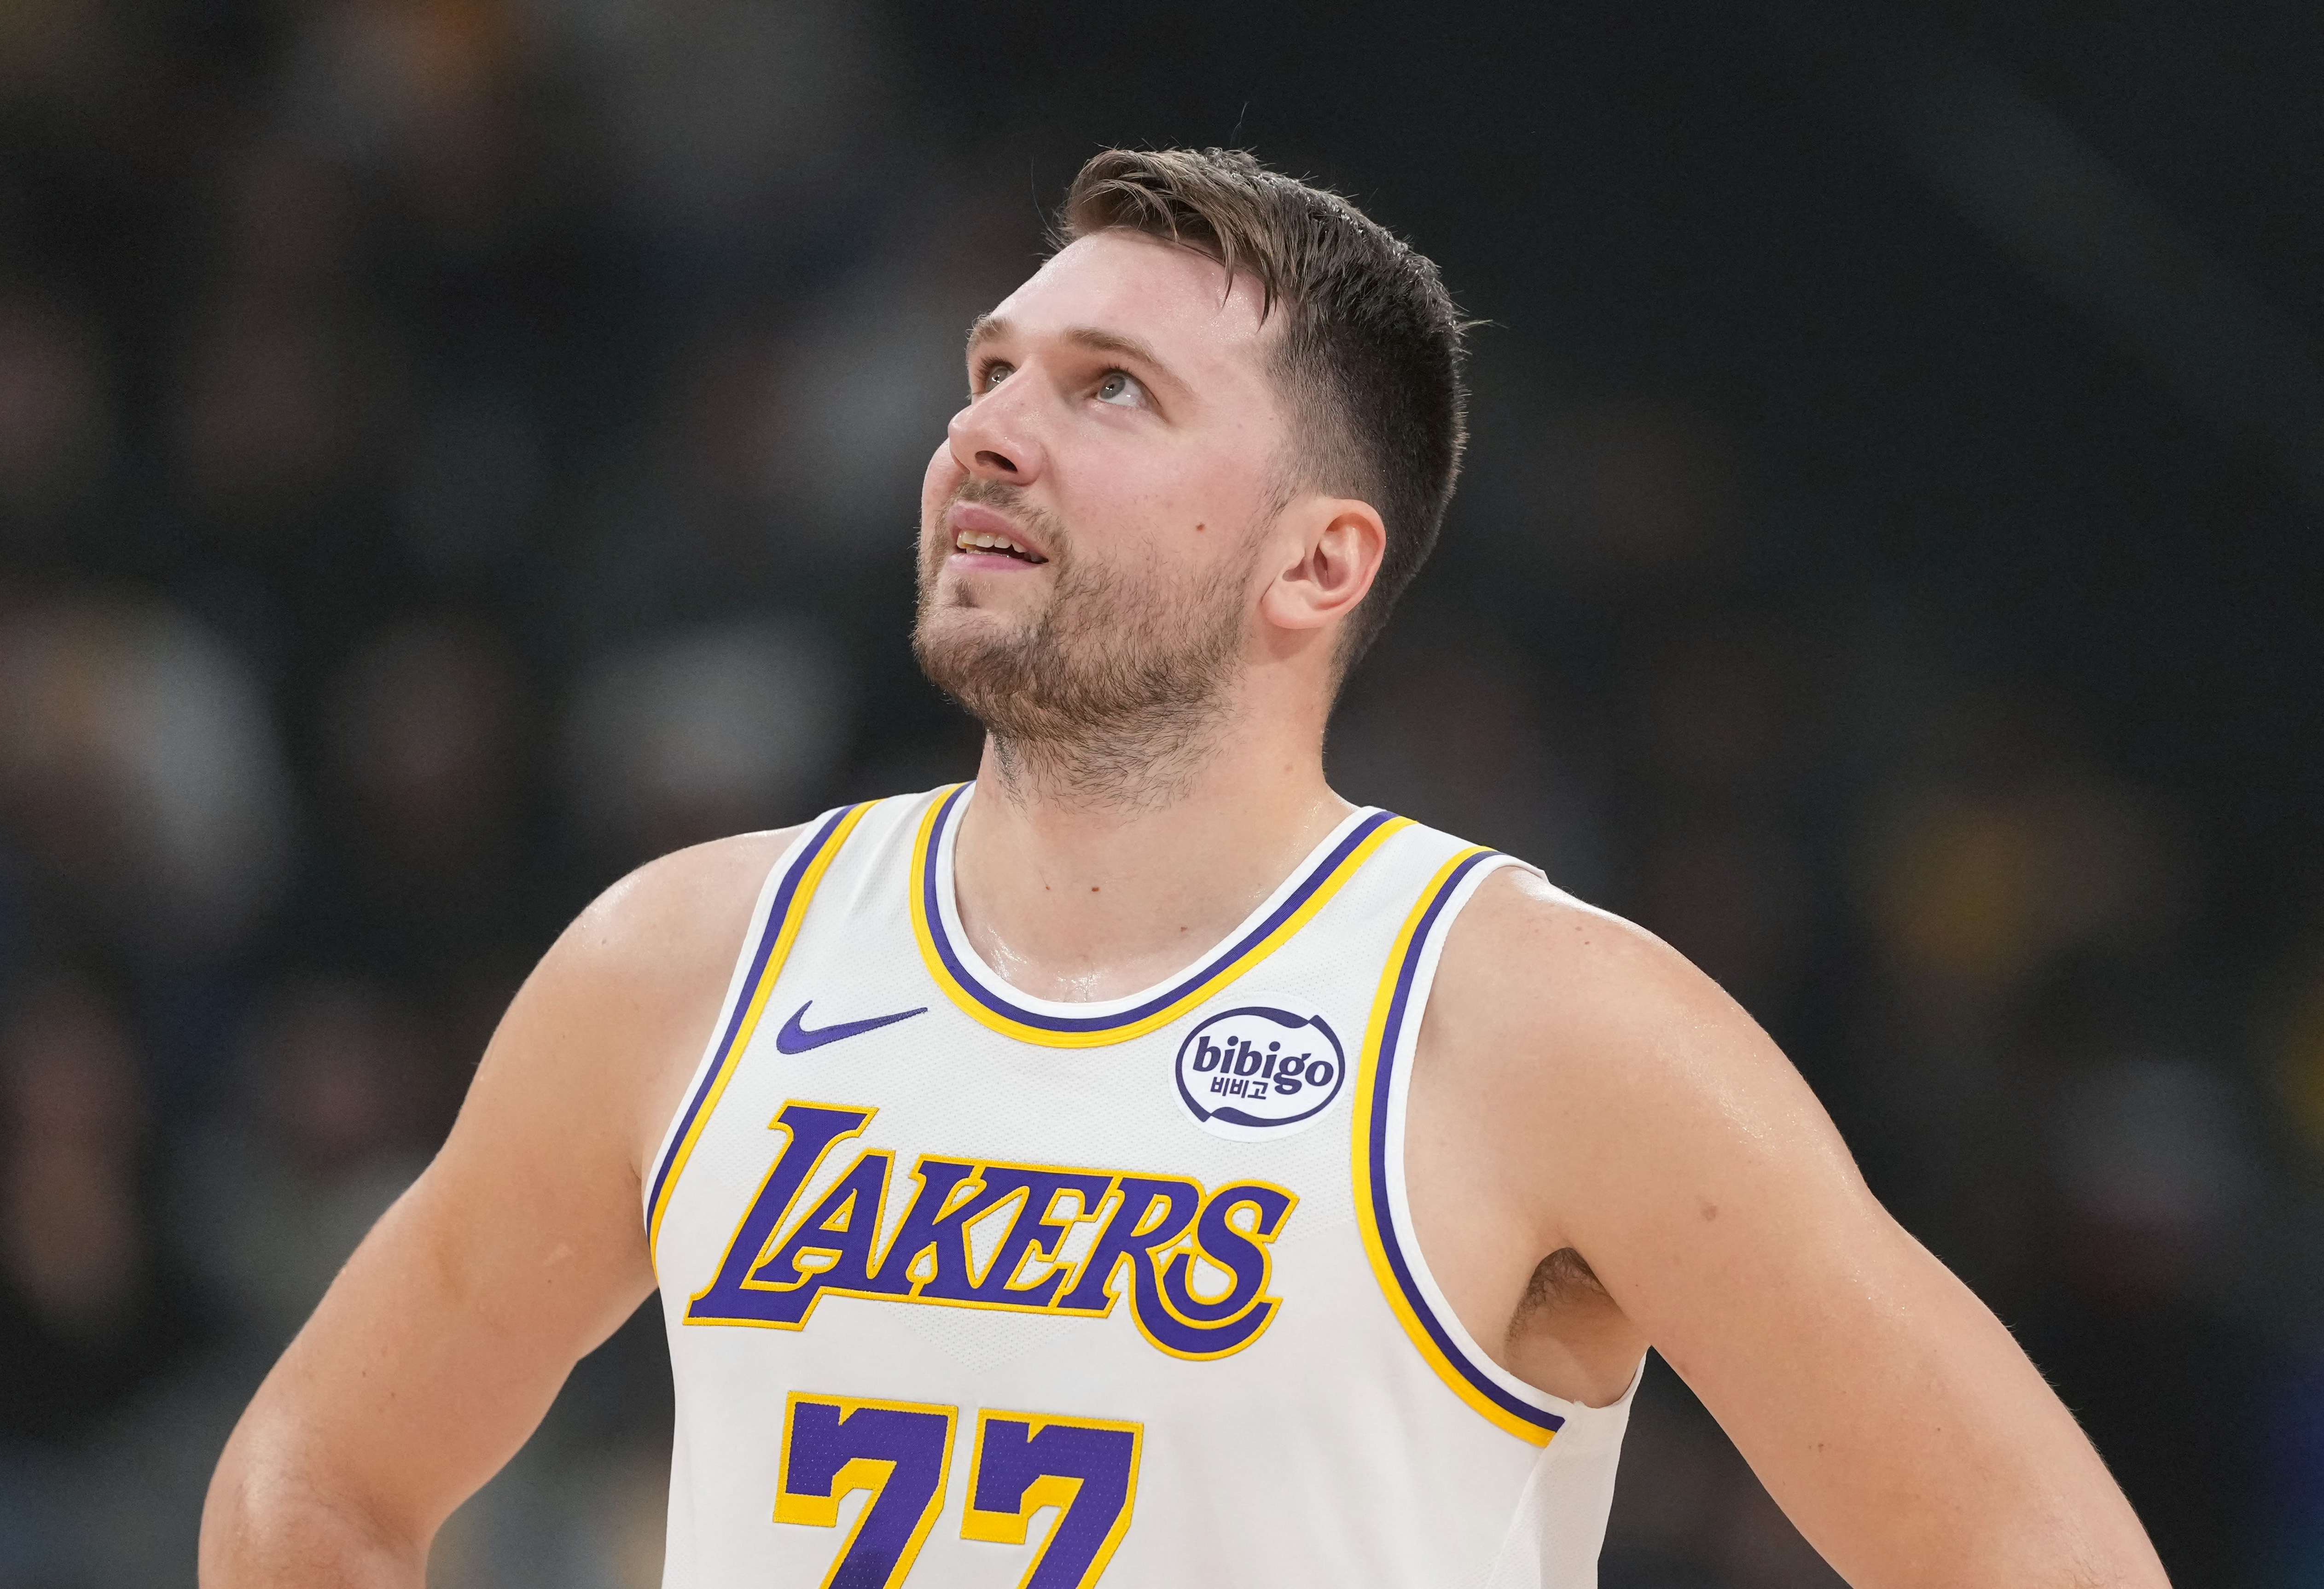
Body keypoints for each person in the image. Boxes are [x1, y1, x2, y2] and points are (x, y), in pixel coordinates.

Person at [200, 148, 2168, 1588]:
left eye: (1108, 389)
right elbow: (318, 1477)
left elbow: (2039, 1555)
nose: (988, 431)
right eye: (991, 368)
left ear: (1316, 561)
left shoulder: (1540, 1023)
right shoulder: (684, 961)